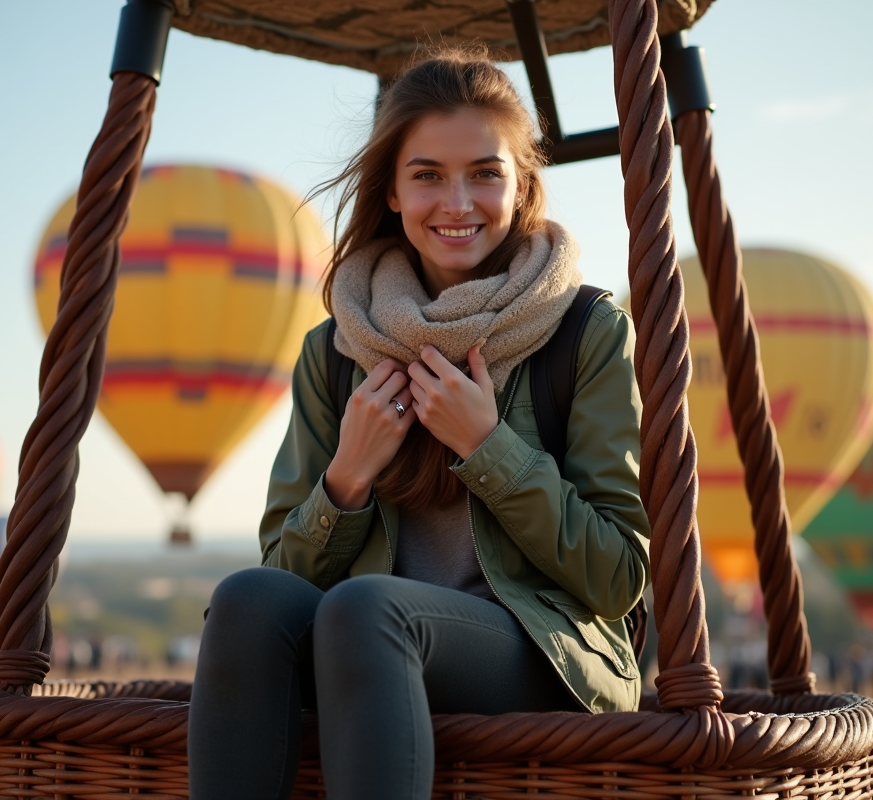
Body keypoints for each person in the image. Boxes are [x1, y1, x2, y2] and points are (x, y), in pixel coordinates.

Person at [188, 47, 650, 800]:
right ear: (393, 192)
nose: (457, 203)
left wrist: (488, 448)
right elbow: (282, 580)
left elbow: (619, 577)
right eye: (428, 175)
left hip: (544, 655)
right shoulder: (336, 351)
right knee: (245, 599)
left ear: (523, 186)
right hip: (363, 645)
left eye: (485, 173)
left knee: (367, 607)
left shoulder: (586, 332)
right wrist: (346, 479)